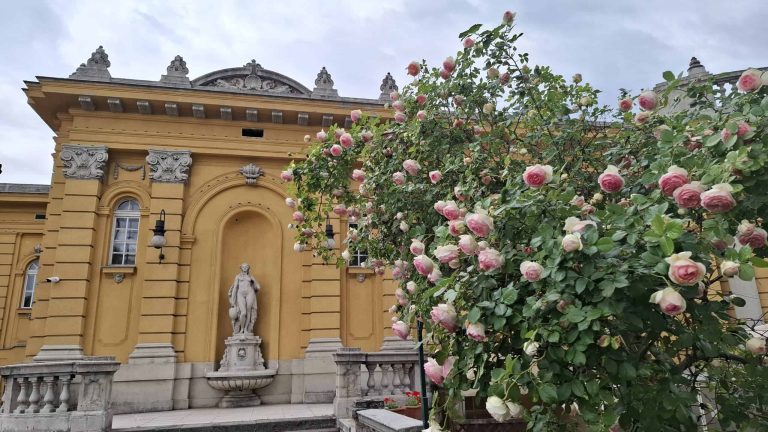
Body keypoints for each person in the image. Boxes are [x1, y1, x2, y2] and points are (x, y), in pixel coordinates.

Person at [227, 263, 260, 334]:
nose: (245, 268)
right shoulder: (238, 277)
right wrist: (233, 300)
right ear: (241, 268)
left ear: (248, 268)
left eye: (246, 267)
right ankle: (241, 329)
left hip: (250, 293)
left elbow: (257, 287)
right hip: (240, 294)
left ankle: (246, 329)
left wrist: (253, 281)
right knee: (243, 312)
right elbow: (235, 288)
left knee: (248, 311)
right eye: (243, 267)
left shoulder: (251, 277)